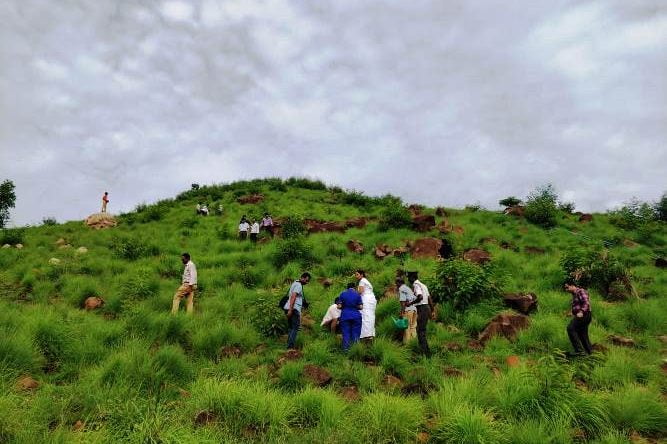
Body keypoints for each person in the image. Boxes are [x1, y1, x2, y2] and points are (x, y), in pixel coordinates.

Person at [408, 271, 434, 356]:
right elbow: (429, 298)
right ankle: (426, 351)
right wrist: (432, 310)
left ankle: (425, 354)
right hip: (426, 308)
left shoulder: (416, 285)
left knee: (420, 331)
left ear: (412, 278)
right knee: (421, 330)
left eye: (409, 278)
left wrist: (410, 303)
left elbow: (420, 297)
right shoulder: (423, 285)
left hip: (422, 308)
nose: (408, 280)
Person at [283, 272, 311, 349]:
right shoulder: (298, 285)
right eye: (306, 280)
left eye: (308, 281)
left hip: (289, 307)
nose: (306, 282)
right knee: (295, 327)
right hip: (293, 309)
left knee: (291, 327)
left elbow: (294, 296)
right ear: (302, 277)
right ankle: (290, 347)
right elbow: (293, 296)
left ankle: (289, 346)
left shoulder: (295, 283)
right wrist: (291, 310)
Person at [565, 283, 592, 356]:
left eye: (567, 287)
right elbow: (578, 306)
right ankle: (591, 354)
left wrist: (581, 312)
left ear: (573, 285)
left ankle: (579, 351)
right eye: (565, 288)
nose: (566, 289)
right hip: (584, 316)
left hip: (585, 315)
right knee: (583, 336)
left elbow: (586, 303)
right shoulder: (574, 295)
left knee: (570, 328)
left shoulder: (580, 291)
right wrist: (572, 313)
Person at [337, 283, 363, 351]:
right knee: (356, 333)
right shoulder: (357, 294)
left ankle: (346, 349)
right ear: (354, 288)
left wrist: (344, 306)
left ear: (347, 288)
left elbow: (339, 306)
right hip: (356, 316)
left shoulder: (342, 294)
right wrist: (354, 306)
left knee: (346, 333)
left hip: (345, 316)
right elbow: (361, 307)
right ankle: (355, 349)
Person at [354, 269, 376, 341]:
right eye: (355, 274)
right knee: (370, 316)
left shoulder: (362, 281)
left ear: (361, 275)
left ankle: (365, 334)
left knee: (365, 316)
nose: (356, 276)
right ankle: (370, 333)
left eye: (357, 274)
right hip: (371, 299)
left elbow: (360, 291)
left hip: (366, 299)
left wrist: (353, 295)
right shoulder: (365, 280)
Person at [396, 277, 417, 344]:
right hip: (414, 310)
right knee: (413, 327)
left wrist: (402, 313)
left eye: (396, 283)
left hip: (407, 310)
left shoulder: (401, 288)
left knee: (407, 329)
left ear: (399, 283)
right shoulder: (408, 288)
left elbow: (403, 302)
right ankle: (414, 343)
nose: (396, 284)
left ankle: (407, 345)